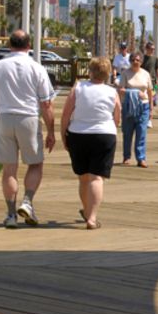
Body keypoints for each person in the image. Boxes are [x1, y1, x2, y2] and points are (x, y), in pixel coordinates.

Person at [0, 29, 57, 228]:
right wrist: (51, 131)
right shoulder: (36, 68)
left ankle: (11, 214)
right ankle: (27, 202)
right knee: (35, 164)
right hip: (28, 118)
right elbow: (46, 104)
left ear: (9, 45)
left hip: (4, 118)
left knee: (9, 169)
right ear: (29, 45)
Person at [61, 56, 121, 229]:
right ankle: (92, 218)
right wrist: (112, 128)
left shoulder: (78, 88)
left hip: (79, 134)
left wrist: (63, 135)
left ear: (90, 71)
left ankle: (87, 211)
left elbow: (66, 114)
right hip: (104, 135)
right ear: (107, 73)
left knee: (84, 178)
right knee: (97, 178)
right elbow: (117, 115)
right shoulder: (112, 92)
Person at [118, 51, 154, 167]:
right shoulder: (125, 73)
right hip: (128, 106)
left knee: (141, 132)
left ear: (141, 62)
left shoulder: (146, 74)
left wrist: (151, 107)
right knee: (127, 133)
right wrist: (135, 92)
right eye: (133, 60)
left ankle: (141, 158)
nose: (135, 62)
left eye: (138, 60)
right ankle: (126, 157)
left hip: (143, 106)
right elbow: (121, 90)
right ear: (130, 61)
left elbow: (150, 91)